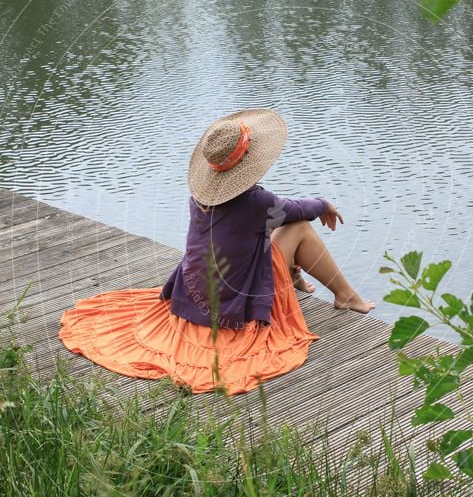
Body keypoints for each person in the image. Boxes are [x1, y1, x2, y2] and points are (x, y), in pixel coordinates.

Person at [59, 109, 375, 395]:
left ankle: (295, 280)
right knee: (300, 228)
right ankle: (346, 295)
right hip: (231, 299)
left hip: (195, 292)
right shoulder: (256, 203)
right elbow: (295, 210)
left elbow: (270, 218)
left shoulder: (200, 196)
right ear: (251, 161)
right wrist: (325, 204)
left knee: (272, 226)